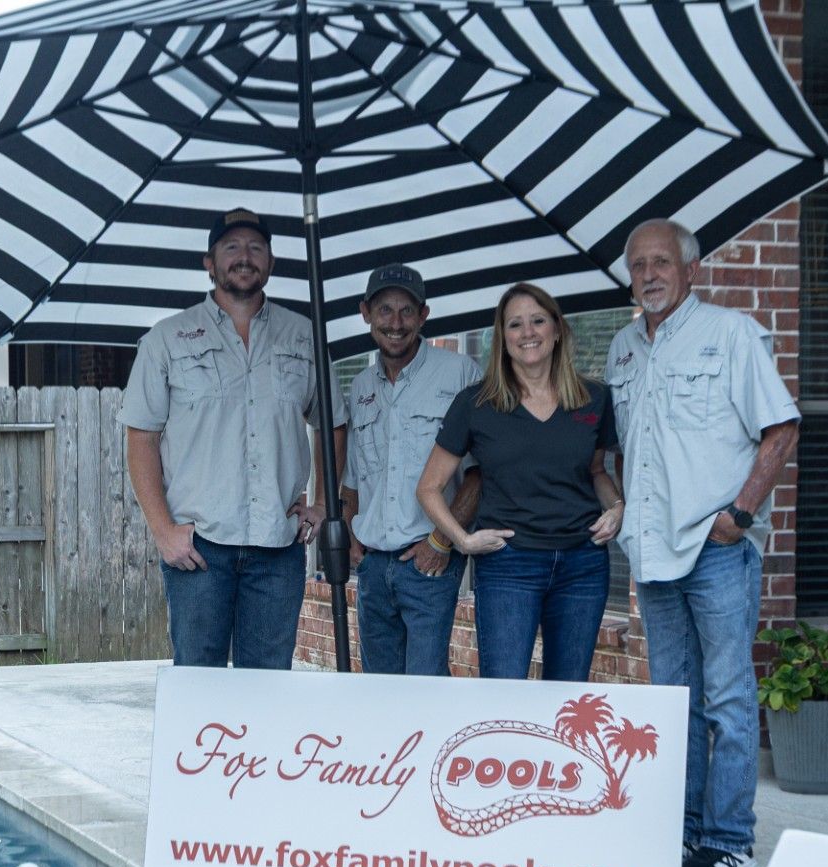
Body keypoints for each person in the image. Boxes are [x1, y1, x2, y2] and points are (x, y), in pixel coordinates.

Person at [604, 218, 800, 867]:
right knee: (672, 702)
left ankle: (728, 841)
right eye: (638, 266)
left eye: (661, 262)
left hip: (716, 551)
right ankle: (681, 833)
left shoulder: (732, 334)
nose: (650, 275)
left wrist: (740, 514)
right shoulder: (624, 349)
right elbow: (630, 449)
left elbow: (781, 427)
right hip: (654, 555)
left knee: (727, 698)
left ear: (690, 270)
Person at [122, 209, 337, 668]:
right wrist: (163, 532)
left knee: (268, 686)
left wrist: (322, 502)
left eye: (256, 248)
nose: (245, 257)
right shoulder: (168, 339)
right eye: (232, 248)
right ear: (210, 262)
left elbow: (332, 424)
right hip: (199, 549)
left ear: (271, 262)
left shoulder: (304, 337)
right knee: (199, 682)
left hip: (278, 548)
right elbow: (141, 437)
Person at [415, 283, 623, 683]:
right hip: (509, 565)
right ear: (503, 337)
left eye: (538, 320)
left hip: (582, 563)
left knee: (568, 697)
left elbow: (597, 472)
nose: (528, 332)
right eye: (515, 324)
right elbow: (428, 487)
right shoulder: (476, 403)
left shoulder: (594, 398)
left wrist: (618, 508)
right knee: (504, 690)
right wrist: (463, 540)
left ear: (558, 329)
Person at [338, 263, 482, 676]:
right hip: (372, 567)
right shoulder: (361, 386)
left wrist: (442, 540)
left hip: (428, 562)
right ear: (366, 313)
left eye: (406, 311)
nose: (396, 323)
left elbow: (480, 474)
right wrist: (351, 538)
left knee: (426, 687)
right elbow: (353, 480)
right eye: (385, 310)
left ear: (424, 315)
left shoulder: (459, 375)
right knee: (379, 693)